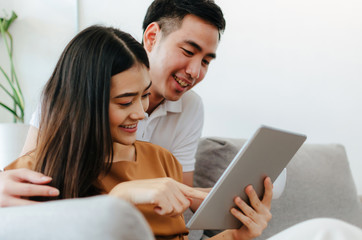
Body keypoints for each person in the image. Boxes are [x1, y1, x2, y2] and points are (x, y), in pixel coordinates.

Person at [5, 25, 273, 240]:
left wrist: (235, 236)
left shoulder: (162, 161)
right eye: (124, 101)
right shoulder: (32, 175)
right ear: (84, 103)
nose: (141, 112)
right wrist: (120, 199)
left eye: (144, 96)